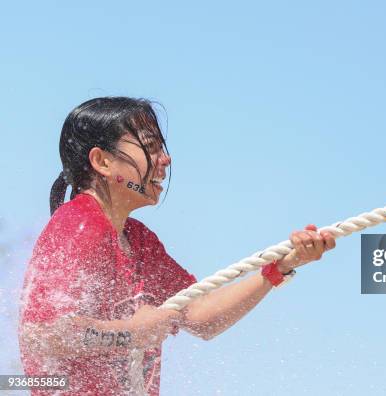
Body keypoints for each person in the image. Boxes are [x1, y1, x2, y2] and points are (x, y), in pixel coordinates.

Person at [18, 97, 336, 395]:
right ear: (102, 161)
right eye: (150, 147)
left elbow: (201, 318)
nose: (165, 159)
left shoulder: (140, 240)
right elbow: (43, 333)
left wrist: (280, 267)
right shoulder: (79, 223)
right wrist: (131, 332)